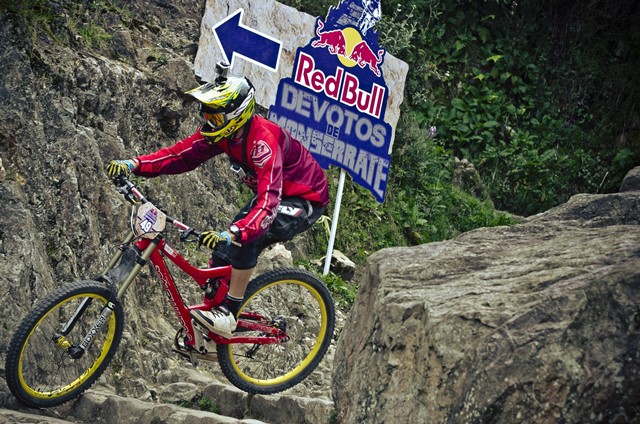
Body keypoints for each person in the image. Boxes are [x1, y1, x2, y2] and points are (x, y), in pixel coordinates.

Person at [106, 64, 330, 338]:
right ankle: (215, 322)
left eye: (215, 114)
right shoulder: (222, 132)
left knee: (246, 236)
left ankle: (229, 314)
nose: (209, 120)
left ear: (236, 115)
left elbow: (269, 203)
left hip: (304, 199)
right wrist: (134, 164)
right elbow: (180, 156)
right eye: (206, 113)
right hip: (273, 193)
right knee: (222, 254)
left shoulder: (263, 142)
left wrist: (234, 233)